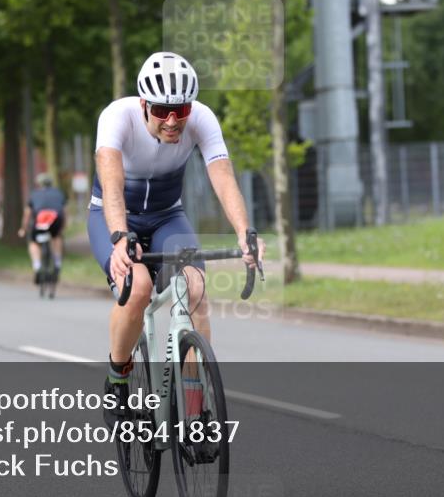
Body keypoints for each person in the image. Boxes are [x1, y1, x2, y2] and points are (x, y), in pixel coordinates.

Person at [89, 51, 264, 423]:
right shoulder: (115, 117)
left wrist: (244, 233)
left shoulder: (201, 118)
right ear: (143, 105)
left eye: (180, 111)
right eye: (161, 111)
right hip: (116, 216)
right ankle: (117, 380)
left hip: (168, 216)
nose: (172, 121)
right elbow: (113, 184)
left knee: (195, 291)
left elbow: (222, 175)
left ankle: (196, 414)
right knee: (136, 289)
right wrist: (120, 237)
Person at [19, 172, 66, 284]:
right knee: (57, 237)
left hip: (40, 221)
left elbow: (27, 214)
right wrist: (62, 227)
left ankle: (37, 265)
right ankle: (57, 262)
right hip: (56, 220)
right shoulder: (59, 193)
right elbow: (64, 212)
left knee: (33, 241)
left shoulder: (34, 194)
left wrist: (23, 229)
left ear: (39, 184)